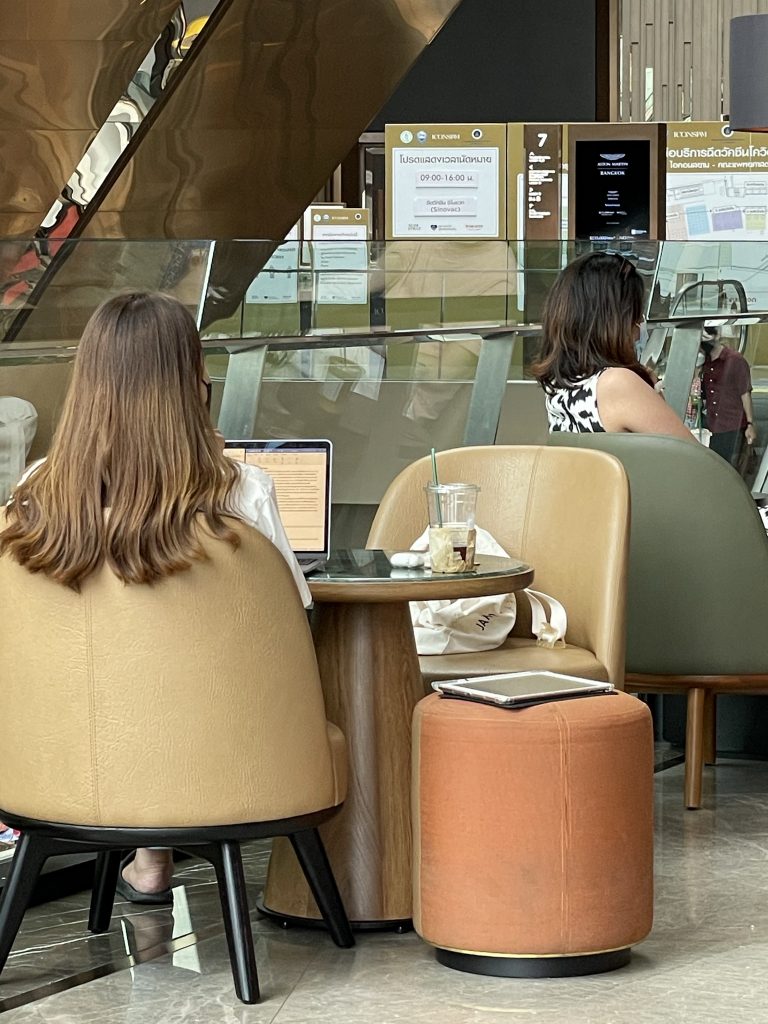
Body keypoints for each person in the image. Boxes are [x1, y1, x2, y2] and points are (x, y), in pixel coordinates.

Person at [0, 291, 311, 903]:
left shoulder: (34, 495)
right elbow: (292, 615)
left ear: (87, 381)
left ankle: (149, 861)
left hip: (56, 752)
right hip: (216, 748)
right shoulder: (240, 491)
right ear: (192, 380)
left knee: (123, 673)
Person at [534, 251, 694, 441]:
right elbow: (698, 463)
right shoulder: (616, 383)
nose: (637, 332)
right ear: (613, 323)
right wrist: (654, 397)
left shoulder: (560, 383)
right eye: (635, 318)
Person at [699, 326, 756, 467]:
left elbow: (745, 393)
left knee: (729, 466)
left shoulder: (735, 360)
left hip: (732, 424)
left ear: (716, 336)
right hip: (713, 424)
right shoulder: (705, 362)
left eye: (705, 337)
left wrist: (750, 424)